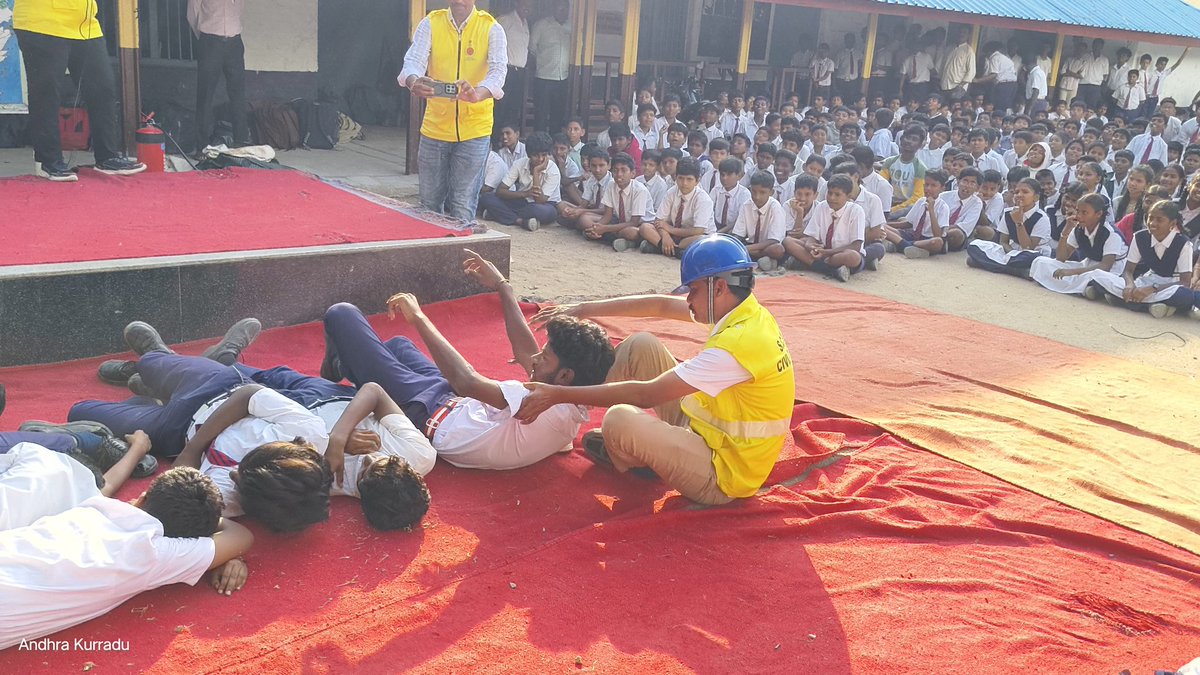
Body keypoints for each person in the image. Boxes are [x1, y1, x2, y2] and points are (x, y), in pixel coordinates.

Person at [515, 234, 796, 506]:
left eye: (692, 290)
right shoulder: (742, 310)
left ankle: (627, 449)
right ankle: (562, 413)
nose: (687, 299)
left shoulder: (738, 344)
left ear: (719, 287)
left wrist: (557, 393)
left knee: (619, 420)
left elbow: (647, 395)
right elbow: (660, 304)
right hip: (709, 433)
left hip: (723, 472)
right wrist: (584, 309)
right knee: (641, 345)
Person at [321, 250, 615, 470]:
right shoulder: (571, 403)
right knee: (399, 345)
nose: (536, 359)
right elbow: (526, 352)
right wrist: (502, 286)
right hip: (453, 400)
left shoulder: (540, 403)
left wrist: (419, 317)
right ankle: (345, 363)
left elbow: (466, 381)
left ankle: (344, 362)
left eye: (546, 357)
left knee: (341, 314)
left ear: (565, 376)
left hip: (426, 410)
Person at [0, 465, 254, 649]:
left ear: (143, 498)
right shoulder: (153, 553)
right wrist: (211, 535)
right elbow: (241, 536)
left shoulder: (93, 507)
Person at [230, 368, 435, 531]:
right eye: (382, 459)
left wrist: (328, 444)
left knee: (238, 384)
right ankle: (231, 360)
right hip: (334, 396)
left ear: (362, 497)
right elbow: (374, 391)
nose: (368, 458)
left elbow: (277, 458)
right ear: (411, 469)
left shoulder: (327, 484)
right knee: (278, 374)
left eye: (365, 470)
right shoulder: (421, 454)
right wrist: (339, 437)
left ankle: (228, 367)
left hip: (287, 412)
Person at [13, 0, 147, 180]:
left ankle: (107, 157)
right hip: (41, 23)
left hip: (85, 25)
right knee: (47, 93)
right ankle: (48, 161)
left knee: (102, 89)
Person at [400, 0, 508, 222]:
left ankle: (461, 256)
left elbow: (498, 71)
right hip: (435, 127)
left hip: (475, 129)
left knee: (463, 202)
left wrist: (478, 93)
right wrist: (414, 81)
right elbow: (413, 61)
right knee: (429, 202)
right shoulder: (431, 23)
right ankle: (432, 253)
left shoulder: (491, 27)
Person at [0, 432, 154, 531]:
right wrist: (138, 448)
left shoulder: (32, 454)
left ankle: (79, 441)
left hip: (54, 451)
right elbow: (107, 485)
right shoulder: (81, 503)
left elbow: (106, 485)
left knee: (81, 439)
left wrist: (138, 446)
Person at [1091, 200, 1195, 318]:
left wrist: (1152, 289)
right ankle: (1152, 306)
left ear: (1172, 223)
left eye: (1159, 220)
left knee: (1185, 295)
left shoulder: (1183, 243)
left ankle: (1126, 301)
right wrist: (1130, 285)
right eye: (1150, 218)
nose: (1152, 223)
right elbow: (1128, 270)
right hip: (1145, 282)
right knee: (1097, 275)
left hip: (1168, 287)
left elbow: (1185, 282)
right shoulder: (1140, 237)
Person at [1030, 193, 1126, 296]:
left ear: (1098, 214)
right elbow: (1061, 258)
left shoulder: (1111, 234)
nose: (1079, 216)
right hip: (1087, 266)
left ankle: (1088, 288)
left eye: (1084, 212)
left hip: (1110, 271)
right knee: (1040, 261)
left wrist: (1071, 272)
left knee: (1098, 276)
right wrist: (1066, 231)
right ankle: (1086, 289)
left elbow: (1105, 266)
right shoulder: (1078, 229)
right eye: (1078, 211)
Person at [188, 0, 247, 150]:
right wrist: (204, 35)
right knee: (205, 96)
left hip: (234, 42)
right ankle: (202, 145)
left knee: (238, 94)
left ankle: (241, 142)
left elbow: (240, 10)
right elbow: (192, 14)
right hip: (210, 41)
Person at [966, 177, 1050, 277]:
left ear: (1036, 197)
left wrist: (1019, 223)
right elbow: (1003, 241)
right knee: (973, 245)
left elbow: (1028, 247)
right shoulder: (1008, 213)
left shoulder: (1041, 218)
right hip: (1011, 253)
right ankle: (1014, 270)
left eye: (1025, 192)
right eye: (1017, 192)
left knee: (1028, 258)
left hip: (1030, 255)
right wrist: (1011, 254)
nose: (1019, 195)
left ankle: (992, 265)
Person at [479, 130, 560, 231]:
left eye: (544, 155)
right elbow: (501, 190)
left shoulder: (553, 170)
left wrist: (536, 172)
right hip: (523, 201)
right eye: (536, 155)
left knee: (537, 211)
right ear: (529, 155)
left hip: (546, 205)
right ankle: (520, 221)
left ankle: (499, 214)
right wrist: (525, 193)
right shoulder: (519, 164)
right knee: (487, 198)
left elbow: (540, 200)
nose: (540, 159)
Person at [639, 158, 715, 257]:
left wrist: (670, 229)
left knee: (703, 240)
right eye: (681, 178)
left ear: (697, 181)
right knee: (645, 228)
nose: (684, 183)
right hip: (674, 234)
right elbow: (659, 220)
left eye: (689, 179)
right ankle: (676, 251)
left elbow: (698, 230)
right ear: (676, 177)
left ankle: (662, 248)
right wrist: (666, 236)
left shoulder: (703, 199)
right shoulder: (672, 192)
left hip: (692, 236)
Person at [579, 152, 651, 251]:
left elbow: (634, 222)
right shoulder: (611, 185)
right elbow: (607, 216)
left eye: (623, 170)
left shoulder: (639, 190)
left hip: (639, 225)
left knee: (631, 232)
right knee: (584, 219)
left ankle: (620, 239)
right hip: (619, 222)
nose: (619, 174)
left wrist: (604, 229)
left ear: (633, 173)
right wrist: (597, 228)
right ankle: (621, 240)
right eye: (615, 170)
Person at [885, 168, 951, 258]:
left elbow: (938, 235)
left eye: (933, 186)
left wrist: (931, 210)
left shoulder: (943, 207)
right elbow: (908, 223)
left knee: (937, 242)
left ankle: (900, 245)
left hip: (928, 239)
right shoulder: (921, 201)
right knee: (882, 227)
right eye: (926, 185)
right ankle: (908, 247)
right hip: (913, 235)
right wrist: (887, 224)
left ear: (942, 188)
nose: (928, 188)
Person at [529, 0, 571, 133]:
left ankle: (555, 146)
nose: (563, 11)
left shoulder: (571, 27)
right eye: (560, 8)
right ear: (554, 8)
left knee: (558, 115)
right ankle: (539, 145)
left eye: (566, 9)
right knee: (540, 115)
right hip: (543, 77)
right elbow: (532, 48)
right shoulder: (541, 25)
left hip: (562, 78)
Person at [732, 172, 787, 271]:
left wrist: (746, 249)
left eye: (762, 192)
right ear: (750, 189)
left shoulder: (775, 207)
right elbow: (738, 234)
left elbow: (773, 240)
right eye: (754, 191)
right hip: (751, 245)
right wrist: (737, 245)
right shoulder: (746, 205)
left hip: (768, 246)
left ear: (771, 192)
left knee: (778, 249)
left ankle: (754, 258)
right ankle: (763, 260)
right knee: (733, 244)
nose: (757, 196)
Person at [495, 0, 531, 130]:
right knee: (500, 106)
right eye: (524, 4)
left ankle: (509, 140)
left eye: (529, 6)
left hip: (520, 72)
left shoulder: (525, 23)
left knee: (514, 107)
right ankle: (496, 140)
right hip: (506, 70)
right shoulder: (505, 20)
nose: (527, 8)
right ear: (517, 4)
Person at [939, 27, 975, 101]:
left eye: (964, 32)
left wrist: (960, 86)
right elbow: (942, 66)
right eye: (960, 32)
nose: (961, 34)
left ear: (968, 35)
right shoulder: (949, 48)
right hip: (944, 84)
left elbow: (971, 72)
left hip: (957, 87)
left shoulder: (969, 51)